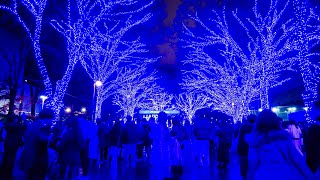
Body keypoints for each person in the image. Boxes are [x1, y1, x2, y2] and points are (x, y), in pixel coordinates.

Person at [247, 110, 313, 180]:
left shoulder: (254, 141)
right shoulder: (284, 138)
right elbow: (297, 159)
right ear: (276, 121)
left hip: (264, 175)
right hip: (285, 174)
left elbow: (252, 164)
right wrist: (310, 176)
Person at [21, 108, 54, 180]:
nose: (52, 121)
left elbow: (26, 136)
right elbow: (43, 144)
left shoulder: (33, 124)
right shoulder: (42, 128)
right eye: (51, 119)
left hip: (29, 157)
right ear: (47, 118)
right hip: (37, 161)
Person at [237, 114, 256, 179]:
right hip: (253, 149)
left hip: (243, 148)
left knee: (243, 163)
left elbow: (240, 138)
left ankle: (244, 175)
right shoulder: (256, 128)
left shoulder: (243, 127)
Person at [305, 101, 320, 177]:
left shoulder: (313, 128)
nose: (311, 111)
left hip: (315, 163)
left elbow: (310, 149)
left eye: (313, 109)